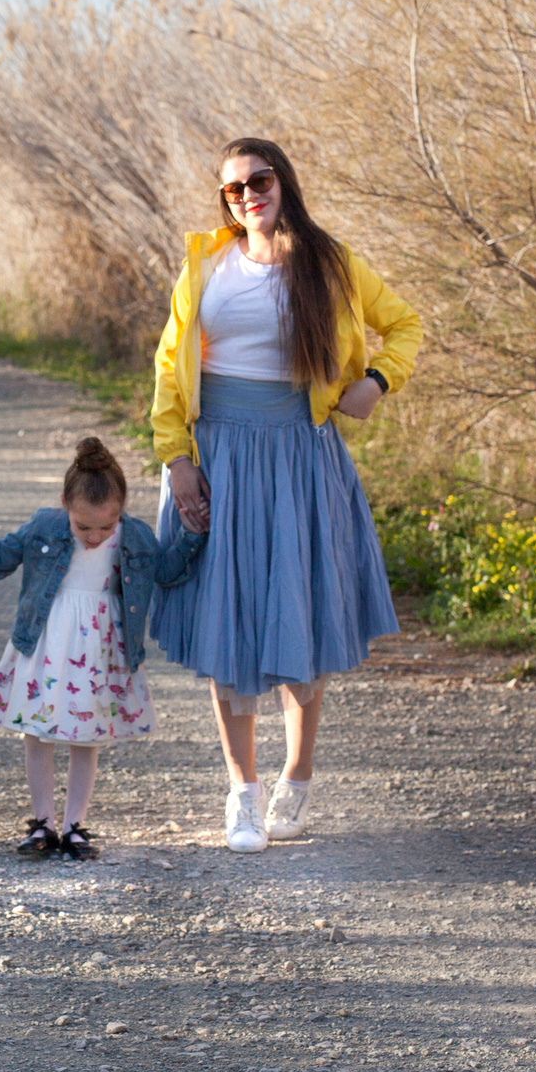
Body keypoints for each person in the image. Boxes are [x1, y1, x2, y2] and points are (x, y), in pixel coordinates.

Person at [149, 136, 420, 852]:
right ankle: (241, 791)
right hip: (221, 457)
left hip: (301, 456)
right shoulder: (205, 264)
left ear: (283, 181)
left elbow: (406, 326)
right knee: (227, 621)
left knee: (299, 609)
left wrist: (375, 382)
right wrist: (177, 459)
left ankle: (295, 778)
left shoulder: (330, 264)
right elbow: (169, 364)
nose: (246, 197)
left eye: (257, 180)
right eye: (232, 190)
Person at [0, 438, 204, 860]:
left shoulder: (132, 536)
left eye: (106, 526)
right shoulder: (45, 526)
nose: (96, 537)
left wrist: (191, 535)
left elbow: (166, 571)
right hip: (46, 640)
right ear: (65, 504)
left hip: (100, 649)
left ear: (121, 510)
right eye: (83, 527)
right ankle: (42, 822)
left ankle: (74, 826)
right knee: (37, 733)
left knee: (88, 736)